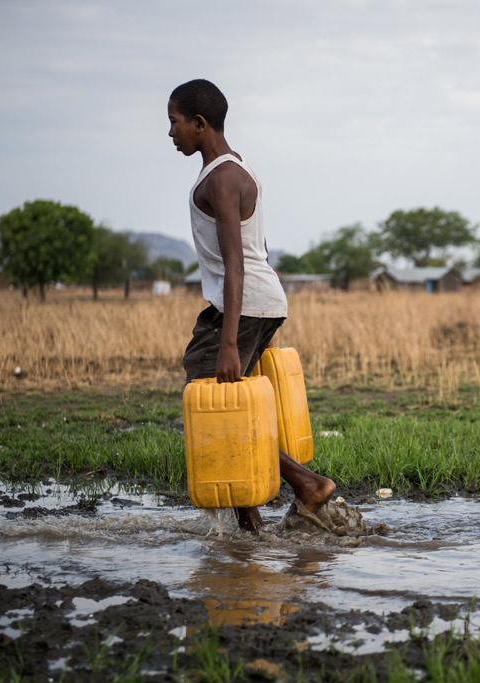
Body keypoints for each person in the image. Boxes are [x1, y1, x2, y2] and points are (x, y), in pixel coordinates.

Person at [168, 78, 336, 531]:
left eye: (175, 122)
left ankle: (306, 485)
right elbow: (260, 248)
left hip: (241, 304)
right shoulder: (241, 170)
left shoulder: (221, 178)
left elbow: (236, 262)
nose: (171, 133)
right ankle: (250, 523)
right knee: (226, 403)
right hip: (261, 301)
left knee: (212, 396)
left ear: (199, 124)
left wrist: (228, 342)